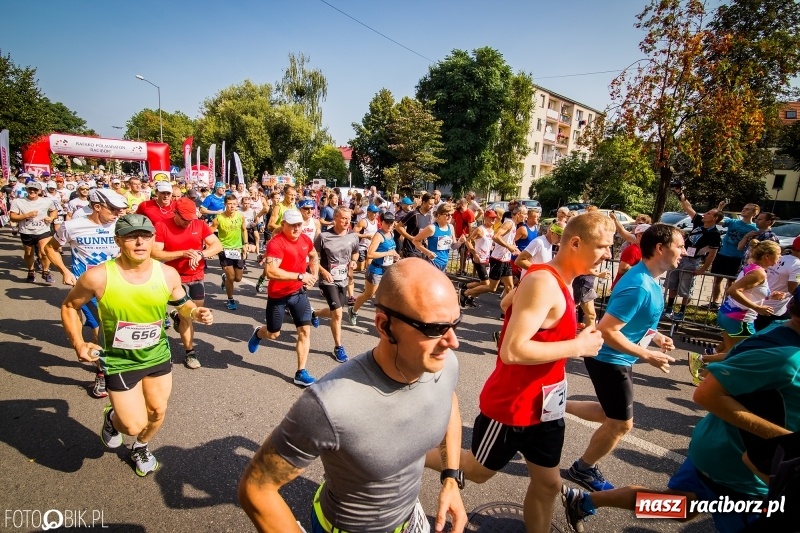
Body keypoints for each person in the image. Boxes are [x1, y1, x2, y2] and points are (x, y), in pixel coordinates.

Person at [239, 258, 467, 533]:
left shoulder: (444, 363)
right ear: (384, 326)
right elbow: (256, 489)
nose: (453, 341)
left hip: (411, 518)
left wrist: (451, 478)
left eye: (456, 322)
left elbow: (448, 401)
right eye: (435, 328)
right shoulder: (329, 404)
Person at [428, 212, 611, 533]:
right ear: (576, 243)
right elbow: (512, 350)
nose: (609, 254)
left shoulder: (554, 281)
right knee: (476, 470)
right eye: (603, 247)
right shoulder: (544, 281)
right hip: (513, 408)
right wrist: (576, 347)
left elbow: (506, 304)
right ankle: (405, 455)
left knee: (548, 485)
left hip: (547, 408)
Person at [561, 289, 800, 533]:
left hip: (717, 446)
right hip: (743, 467)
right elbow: (706, 393)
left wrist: (705, 359)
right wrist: (790, 443)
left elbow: (738, 356)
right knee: (621, 425)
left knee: (681, 507)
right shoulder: (789, 356)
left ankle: (585, 501)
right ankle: (579, 461)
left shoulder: (780, 330)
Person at [61, 214, 214, 477]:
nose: (140, 242)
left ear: (154, 239)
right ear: (118, 240)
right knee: (131, 425)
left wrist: (195, 313)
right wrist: (78, 343)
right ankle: (112, 419)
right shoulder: (97, 277)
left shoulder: (167, 274)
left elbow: (183, 305)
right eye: (132, 236)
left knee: (156, 411)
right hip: (119, 360)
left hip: (156, 354)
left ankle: (141, 447)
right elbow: (68, 306)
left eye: (146, 235)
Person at [565, 224, 681, 492]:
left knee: (610, 413)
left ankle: (551, 407)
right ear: (660, 248)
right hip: (609, 359)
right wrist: (646, 354)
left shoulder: (651, 279)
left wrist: (655, 336)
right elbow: (607, 330)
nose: (684, 252)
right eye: (680, 245)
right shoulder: (639, 285)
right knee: (620, 424)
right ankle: (582, 469)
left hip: (619, 358)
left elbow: (637, 321)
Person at [45, 188, 128, 398]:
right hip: (88, 286)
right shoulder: (73, 226)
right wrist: (64, 271)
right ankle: (102, 372)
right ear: (97, 207)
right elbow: (50, 248)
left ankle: (120, 362)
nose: (118, 213)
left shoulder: (121, 226)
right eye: (114, 209)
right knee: (100, 327)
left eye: (121, 209)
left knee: (119, 326)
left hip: (117, 284)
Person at [248, 209, 321, 387]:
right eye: (293, 225)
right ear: (283, 225)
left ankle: (300, 372)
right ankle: (259, 333)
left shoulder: (305, 239)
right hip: (278, 296)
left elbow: (314, 256)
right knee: (273, 334)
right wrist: (299, 276)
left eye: (299, 224)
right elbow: (271, 272)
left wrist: (314, 274)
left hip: (298, 294)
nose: (297, 228)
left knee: (305, 331)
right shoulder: (276, 243)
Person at [152, 197, 223, 369]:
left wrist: (201, 254)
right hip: (174, 278)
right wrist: (182, 253)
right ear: (175, 213)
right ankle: (190, 352)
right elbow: (155, 253)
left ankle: (178, 315)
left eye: (191, 219)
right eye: (184, 219)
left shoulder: (198, 224)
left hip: (196, 275)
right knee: (187, 317)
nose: (188, 223)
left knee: (195, 312)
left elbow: (217, 245)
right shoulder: (162, 225)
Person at [713, 240, 783, 354]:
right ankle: (701, 359)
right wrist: (756, 307)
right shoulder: (758, 273)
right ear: (767, 256)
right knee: (746, 353)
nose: (781, 256)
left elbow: (750, 292)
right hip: (739, 318)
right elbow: (733, 290)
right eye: (779, 254)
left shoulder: (753, 267)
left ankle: (702, 363)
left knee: (730, 353)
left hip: (728, 314)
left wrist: (770, 296)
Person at [663, 191, 723, 321]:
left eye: (708, 214)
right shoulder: (699, 223)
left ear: (714, 219)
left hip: (692, 261)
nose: (705, 214)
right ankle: (669, 307)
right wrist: (681, 194)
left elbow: (712, 254)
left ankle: (682, 311)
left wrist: (703, 269)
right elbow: (688, 207)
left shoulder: (714, 234)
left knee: (686, 287)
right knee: (672, 283)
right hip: (680, 257)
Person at [312, 206, 359, 362]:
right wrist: (323, 271)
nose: (347, 221)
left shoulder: (353, 236)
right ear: (336, 219)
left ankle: (315, 313)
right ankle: (338, 346)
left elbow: (355, 252)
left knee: (335, 311)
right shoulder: (324, 236)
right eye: (344, 218)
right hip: (328, 279)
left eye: (349, 218)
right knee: (338, 312)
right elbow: (312, 256)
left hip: (343, 278)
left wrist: (353, 261)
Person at [461, 205, 527, 304]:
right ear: (518, 214)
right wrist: (508, 246)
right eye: (525, 214)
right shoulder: (509, 223)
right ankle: (466, 292)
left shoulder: (514, 225)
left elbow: (506, 241)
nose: (526, 216)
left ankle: (506, 310)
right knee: (491, 287)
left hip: (505, 260)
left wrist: (515, 250)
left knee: (509, 286)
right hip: (498, 260)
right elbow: (496, 237)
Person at [350, 211, 400, 325]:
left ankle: (385, 321)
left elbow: (391, 251)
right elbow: (370, 254)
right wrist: (388, 253)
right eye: (387, 222)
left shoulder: (391, 234)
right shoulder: (379, 235)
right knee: (368, 295)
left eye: (391, 223)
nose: (389, 225)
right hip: (376, 270)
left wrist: (395, 256)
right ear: (381, 222)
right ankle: (353, 311)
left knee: (386, 297)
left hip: (388, 270)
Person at [707, 202, 760, 310]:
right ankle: (714, 303)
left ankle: (727, 304)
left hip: (737, 258)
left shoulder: (754, 229)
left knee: (731, 282)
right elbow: (717, 220)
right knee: (717, 280)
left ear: (754, 213)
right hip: (723, 254)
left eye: (748, 209)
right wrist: (719, 209)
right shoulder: (733, 222)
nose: (744, 210)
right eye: (744, 208)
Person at [9, 180, 57, 284]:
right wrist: (26, 215)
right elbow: (12, 217)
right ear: (26, 189)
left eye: (35, 189)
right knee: (28, 253)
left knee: (44, 251)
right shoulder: (18, 202)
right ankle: (31, 271)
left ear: (39, 190)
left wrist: (51, 217)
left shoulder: (47, 201)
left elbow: (54, 211)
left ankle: (46, 272)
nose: (32, 191)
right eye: (30, 189)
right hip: (26, 231)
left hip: (43, 230)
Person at [211, 194, 248, 310]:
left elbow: (244, 230)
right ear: (225, 204)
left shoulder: (240, 216)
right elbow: (209, 232)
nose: (232, 206)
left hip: (238, 250)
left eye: (234, 204)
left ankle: (225, 279)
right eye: (229, 204)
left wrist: (245, 244)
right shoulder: (219, 218)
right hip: (224, 250)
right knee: (231, 277)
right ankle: (230, 299)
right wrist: (212, 247)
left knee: (238, 278)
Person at [756, 235, 800, 331]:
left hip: (762, 302)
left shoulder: (780, 257)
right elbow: (793, 290)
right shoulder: (797, 265)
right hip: (774, 308)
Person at [459, 209, 497, 308]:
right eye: (491, 218)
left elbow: (488, 243)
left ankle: (467, 292)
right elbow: (468, 241)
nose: (493, 220)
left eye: (495, 218)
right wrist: (474, 253)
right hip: (478, 259)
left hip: (487, 258)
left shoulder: (492, 229)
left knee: (482, 283)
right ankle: (465, 292)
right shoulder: (480, 229)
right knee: (486, 284)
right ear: (486, 218)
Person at [413, 203, 464, 272]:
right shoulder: (432, 228)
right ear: (439, 215)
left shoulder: (451, 227)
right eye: (447, 215)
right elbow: (415, 240)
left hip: (444, 263)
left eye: (451, 215)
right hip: (432, 263)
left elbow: (453, 246)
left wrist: (460, 242)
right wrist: (427, 252)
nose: (450, 217)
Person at [610, 223, 649, 289]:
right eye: (649, 236)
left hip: (629, 287)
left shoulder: (640, 249)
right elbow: (622, 269)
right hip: (622, 288)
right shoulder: (632, 250)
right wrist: (643, 268)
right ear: (639, 236)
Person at [397, 192, 435, 258]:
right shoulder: (414, 214)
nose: (432, 206)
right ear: (423, 202)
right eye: (430, 204)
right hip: (411, 249)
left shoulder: (429, 215)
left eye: (433, 204)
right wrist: (410, 238)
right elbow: (399, 227)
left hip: (422, 249)